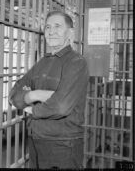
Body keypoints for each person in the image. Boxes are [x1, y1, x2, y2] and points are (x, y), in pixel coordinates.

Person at [9, 10, 89, 169]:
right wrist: (35, 94)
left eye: (57, 26)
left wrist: (32, 109)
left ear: (70, 33)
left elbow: (61, 106)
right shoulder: (42, 63)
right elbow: (14, 95)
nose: (51, 31)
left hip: (63, 143)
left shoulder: (76, 62)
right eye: (47, 27)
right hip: (35, 139)